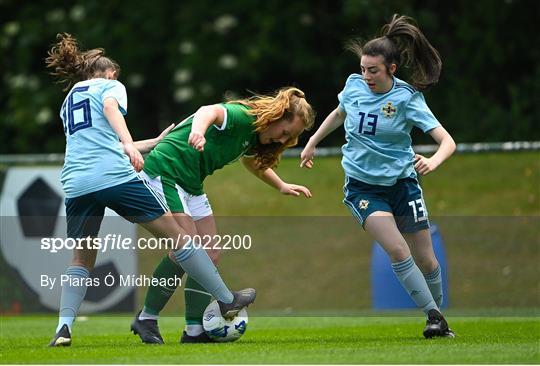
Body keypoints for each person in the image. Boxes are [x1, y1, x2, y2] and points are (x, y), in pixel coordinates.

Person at [44, 33, 255, 347]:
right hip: (114, 178)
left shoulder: (70, 98)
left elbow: (100, 143)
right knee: (181, 239)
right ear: (111, 73)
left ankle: (63, 328)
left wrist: (152, 143)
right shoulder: (110, 86)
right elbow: (111, 107)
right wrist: (131, 145)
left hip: (76, 183)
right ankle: (226, 299)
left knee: (81, 259)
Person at [300, 14, 456, 338]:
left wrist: (434, 161)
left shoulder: (407, 98)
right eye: (363, 69)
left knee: (427, 261)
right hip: (362, 187)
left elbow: (447, 141)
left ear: (391, 70)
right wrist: (313, 141)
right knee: (398, 250)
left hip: (403, 184)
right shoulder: (354, 86)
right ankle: (434, 317)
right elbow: (339, 113)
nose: (366, 76)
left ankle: (439, 319)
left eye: (373, 70)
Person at [130, 87, 315, 344]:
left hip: (191, 183)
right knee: (188, 250)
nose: (282, 140)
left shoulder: (253, 137)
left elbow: (252, 163)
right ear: (276, 117)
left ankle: (194, 332)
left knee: (209, 254)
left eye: (289, 138)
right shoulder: (242, 116)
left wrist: (281, 185)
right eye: (285, 133)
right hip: (167, 171)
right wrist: (197, 131)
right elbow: (208, 111)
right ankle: (147, 318)